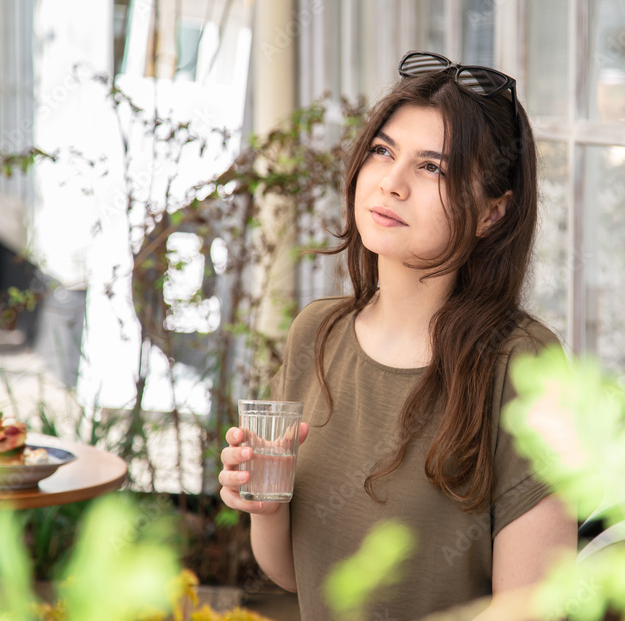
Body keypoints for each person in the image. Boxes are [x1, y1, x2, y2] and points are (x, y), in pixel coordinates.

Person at [219, 50, 575, 620]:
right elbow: (291, 573)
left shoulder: (522, 362)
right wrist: (261, 500)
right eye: (383, 151)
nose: (391, 182)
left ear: (493, 212)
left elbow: (532, 607)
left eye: (432, 167)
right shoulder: (317, 331)